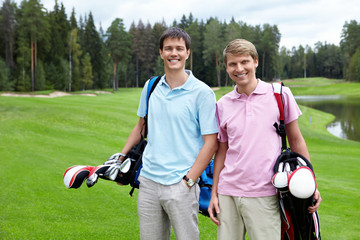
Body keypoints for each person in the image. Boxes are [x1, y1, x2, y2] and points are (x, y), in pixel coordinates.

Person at [208, 39, 322, 240]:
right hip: (228, 193)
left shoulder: (280, 94)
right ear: (226, 67)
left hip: (265, 192)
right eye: (232, 64)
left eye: (245, 62)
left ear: (256, 62)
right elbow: (222, 151)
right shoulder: (222, 104)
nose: (239, 68)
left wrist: (310, 183)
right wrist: (214, 192)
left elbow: (296, 141)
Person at [118, 27, 218, 240]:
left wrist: (189, 181)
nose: (174, 53)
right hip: (148, 182)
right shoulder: (151, 85)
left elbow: (211, 143)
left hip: (181, 184)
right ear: (161, 52)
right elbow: (140, 127)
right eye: (169, 48)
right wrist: (121, 158)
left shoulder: (203, 93)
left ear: (188, 53)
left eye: (179, 49)